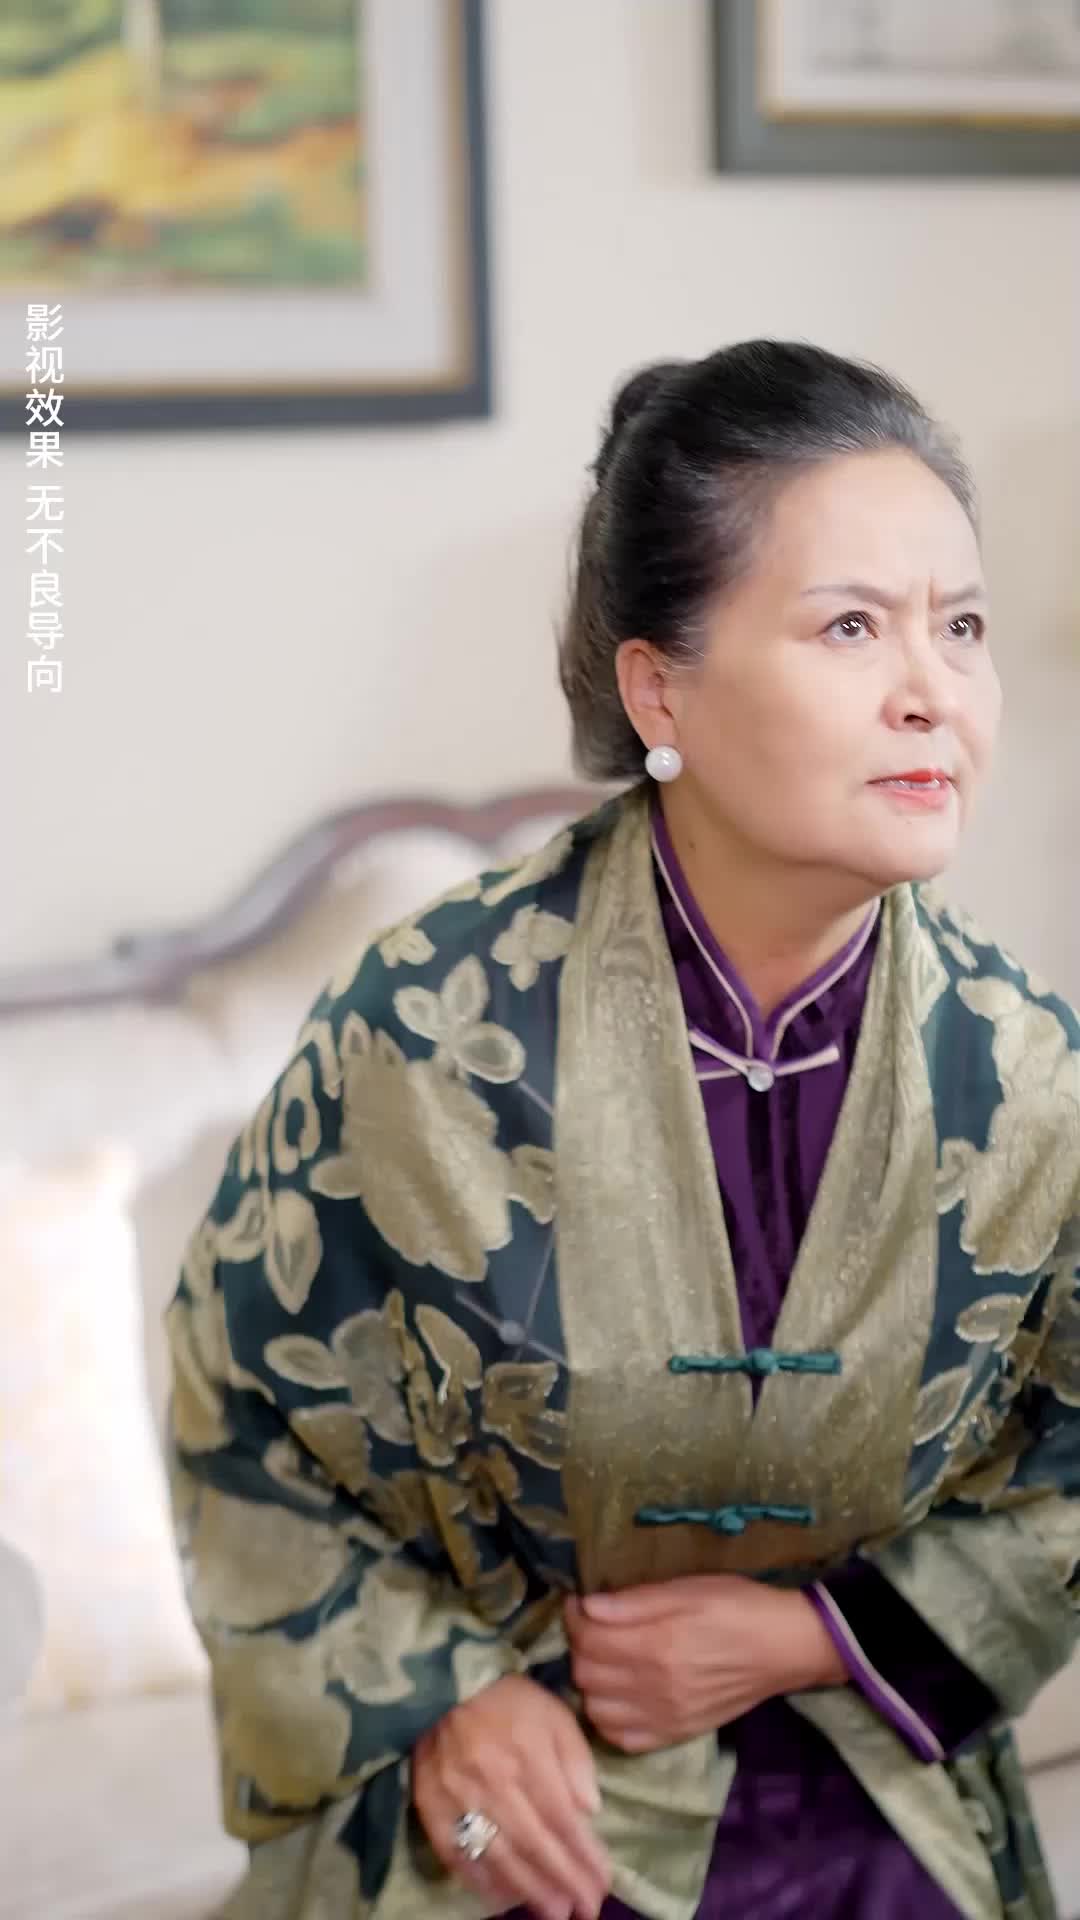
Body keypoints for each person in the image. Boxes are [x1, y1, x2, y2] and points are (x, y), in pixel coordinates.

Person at [166, 340, 1080, 1920]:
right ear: (662, 689)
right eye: (851, 625)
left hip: (877, 1795)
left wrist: (811, 1634)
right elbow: (243, 1409)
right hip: (530, 1818)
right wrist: (439, 1701)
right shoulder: (427, 1033)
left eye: (963, 626)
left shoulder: (1027, 1077)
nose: (932, 690)